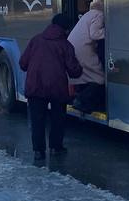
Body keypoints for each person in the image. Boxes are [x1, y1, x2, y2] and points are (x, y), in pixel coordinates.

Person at [19, 13, 83, 162]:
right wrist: (81, 68)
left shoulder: (36, 40)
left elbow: (23, 63)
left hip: (35, 87)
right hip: (57, 88)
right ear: (66, 29)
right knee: (57, 119)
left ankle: (38, 152)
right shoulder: (65, 45)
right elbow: (74, 71)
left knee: (37, 121)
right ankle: (55, 147)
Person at [68, 0, 106, 113]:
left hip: (75, 49)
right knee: (100, 78)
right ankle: (81, 100)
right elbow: (94, 34)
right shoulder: (100, 15)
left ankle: (83, 100)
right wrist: (111, 30)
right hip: (84, 50)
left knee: (86, 76)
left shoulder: (88, 14)